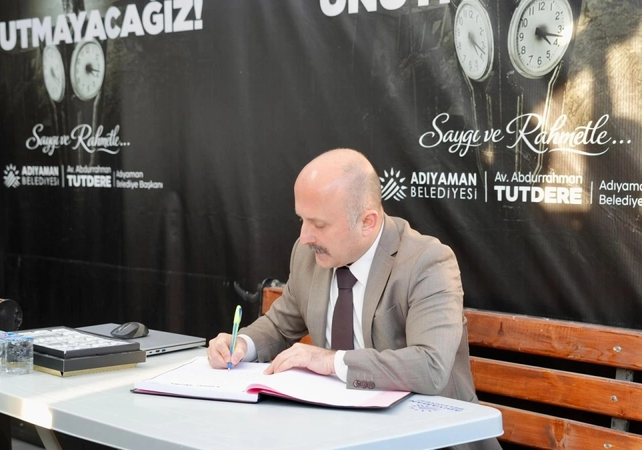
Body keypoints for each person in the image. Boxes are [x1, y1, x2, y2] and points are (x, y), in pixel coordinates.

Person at [207, 149, 501, 450]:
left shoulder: (427, 262)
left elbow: (430, 366)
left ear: (368, 222)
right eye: (302, 220)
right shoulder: (309, 254)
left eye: (319, 224)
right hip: (338, 432)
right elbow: (280, 326)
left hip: (429, 438)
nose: (305, 236)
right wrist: (242, 344)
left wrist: (331, 361)